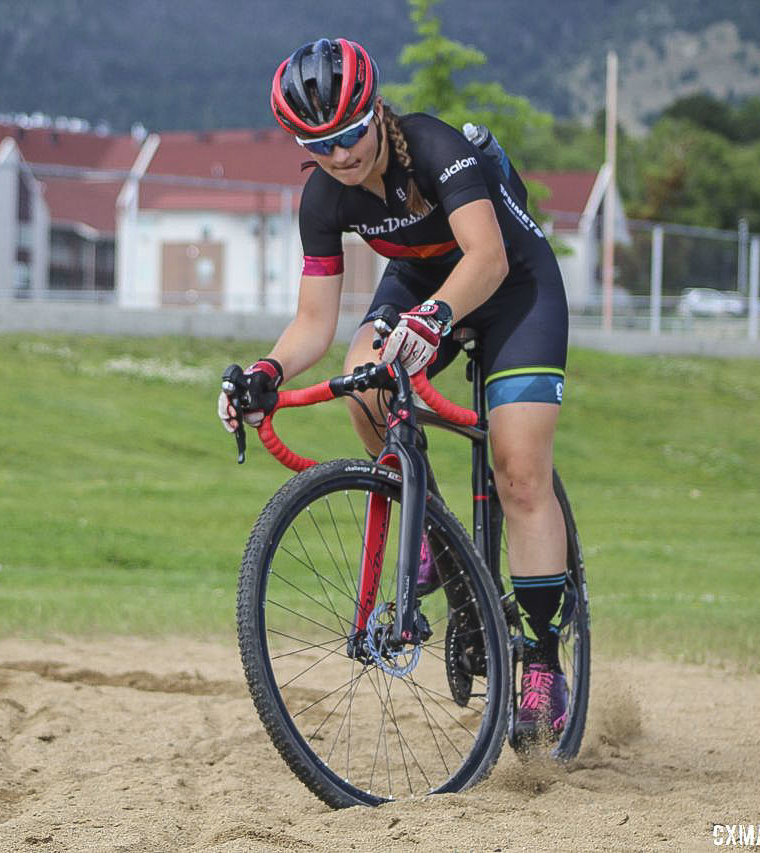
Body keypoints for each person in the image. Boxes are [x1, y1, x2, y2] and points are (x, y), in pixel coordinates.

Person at [217, 38, 570, 740]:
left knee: (521, 473)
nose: (340, 155)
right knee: (363, 384)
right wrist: (265, 373)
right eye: (318, 144)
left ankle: (542, 661)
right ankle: (432, 531)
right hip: (420, 282)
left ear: (375, 111)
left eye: (349, 134)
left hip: (512, 288)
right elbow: (314, 322)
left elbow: (488, 257)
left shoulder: (435, 147)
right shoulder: (323, 196)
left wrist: (438, 316)